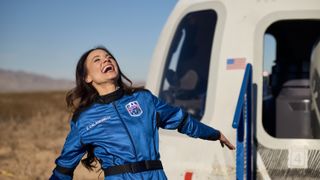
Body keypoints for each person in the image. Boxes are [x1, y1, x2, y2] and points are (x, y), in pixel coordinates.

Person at [50, 46, 235, 180]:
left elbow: (182, 120)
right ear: (87, 77)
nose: (106, 59)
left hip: (156, 175)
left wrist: (214, 134)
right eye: (97, 60)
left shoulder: (143, 99)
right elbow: (64, 169)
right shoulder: (84, 119)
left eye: (108, 57)